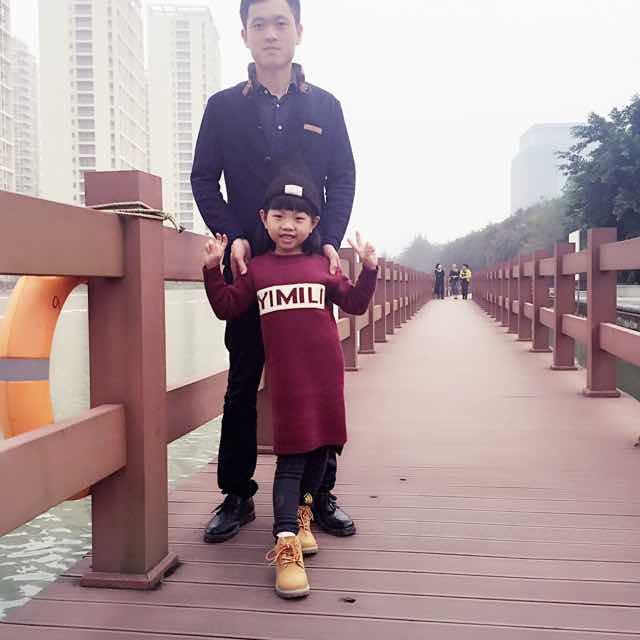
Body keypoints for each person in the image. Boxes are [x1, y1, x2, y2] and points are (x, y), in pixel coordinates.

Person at [191, 0, 358, 544]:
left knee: (317, 381)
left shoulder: (326, 107)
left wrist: (329, 240)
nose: (270, 33)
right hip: (249, 269)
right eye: (258, 24)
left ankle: (319, 495)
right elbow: (203, 179)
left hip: (308, 271)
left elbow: (343, 179)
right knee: (243, 381)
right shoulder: (222, 108)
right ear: (244, 34)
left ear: (298, 32)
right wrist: (231, 234)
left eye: (280, 22)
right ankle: (237, 494)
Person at [202, 167, 378, 598]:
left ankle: (303, 517)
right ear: (263, 219)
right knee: (292, 459)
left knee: (321, 452)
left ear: (314, 224)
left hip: (326, 378)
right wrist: (211, 270)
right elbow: (227, 307)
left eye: (299, 218)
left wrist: (369, 268)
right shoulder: (258, 270)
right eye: (279, 216)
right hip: (288, 384)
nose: (288, 225)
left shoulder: (323, 266)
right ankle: (285, 543)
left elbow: (355, 303)